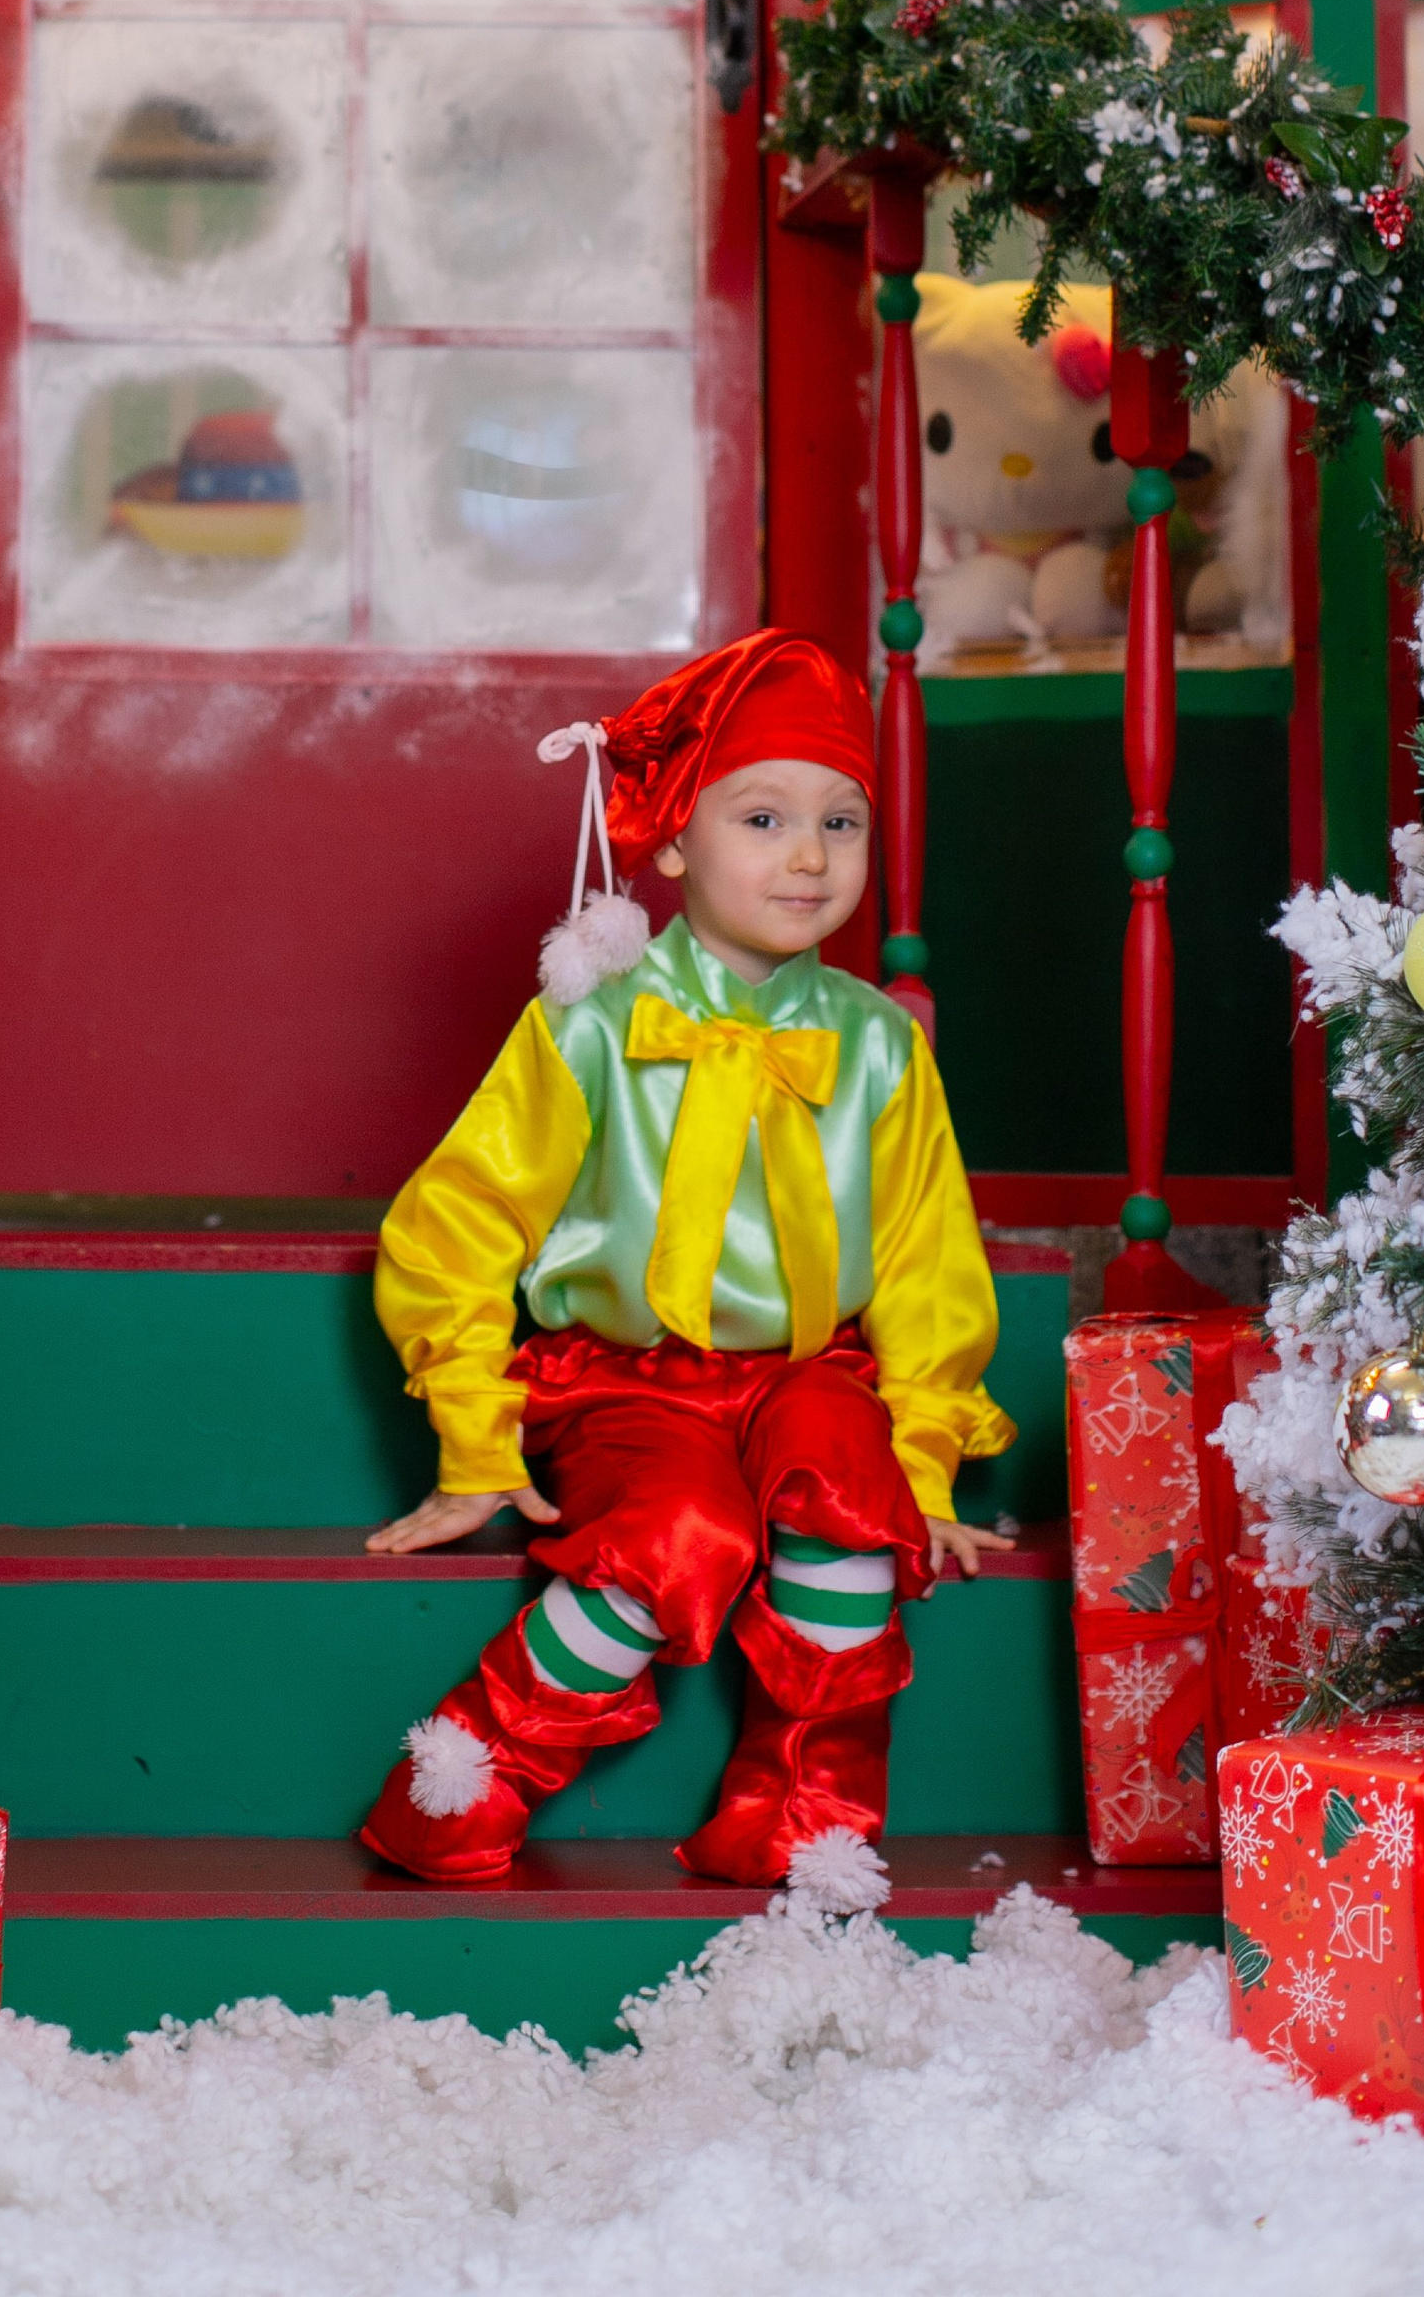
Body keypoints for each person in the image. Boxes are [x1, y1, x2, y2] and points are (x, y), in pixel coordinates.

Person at [360, 628, 1010, 1886]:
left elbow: (928, 1255)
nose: (810, 856)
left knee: (850, 1492)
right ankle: (460, 1776)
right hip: (625, 1378)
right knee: (680, 1533)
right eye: (762, 817)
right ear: (668, 842)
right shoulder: (593, 1023)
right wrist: (473, 1434)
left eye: (843, 823)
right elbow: (458, 1218)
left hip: (807, 1368)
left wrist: (925, 1454)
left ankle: (806, 1813)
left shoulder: (877, 1044)